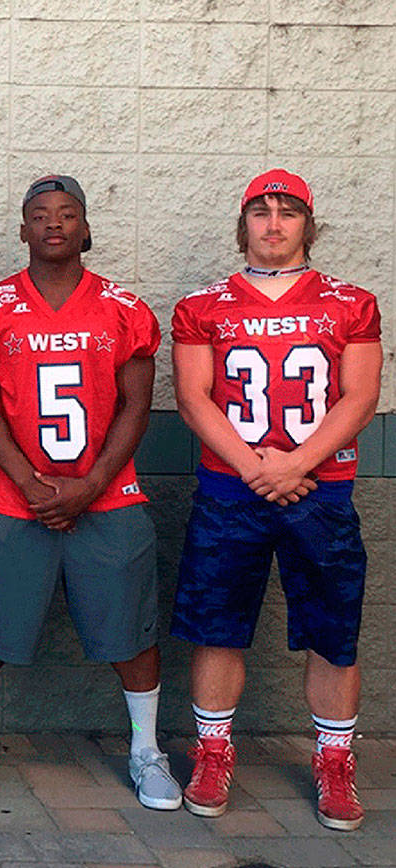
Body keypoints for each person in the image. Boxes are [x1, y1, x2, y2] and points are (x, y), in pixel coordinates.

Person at [0, 175, 181, 810]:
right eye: (40, 214)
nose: (54, 223)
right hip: (9, 497)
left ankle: (145, 749)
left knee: (132, 633)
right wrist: (30, 482)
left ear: (85, 229)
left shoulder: (126, 309)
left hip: (110, 494)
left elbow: (137, 404)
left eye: (68, 214)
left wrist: (93, 482)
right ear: (22, 229)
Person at [171, 169, 382, 831]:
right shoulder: (201, 305)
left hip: (320, 488)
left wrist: (297, 462)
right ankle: (211, 751)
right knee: (217, 625)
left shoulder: (353, 302)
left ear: (306, 223)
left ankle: (335, 760)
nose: (272, 222)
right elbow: (193, 398)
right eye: (260, 211)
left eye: (287, 211)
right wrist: (257, 467)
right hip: (232, 488)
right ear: (243, 223)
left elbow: (360, 395)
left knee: (333, 632)